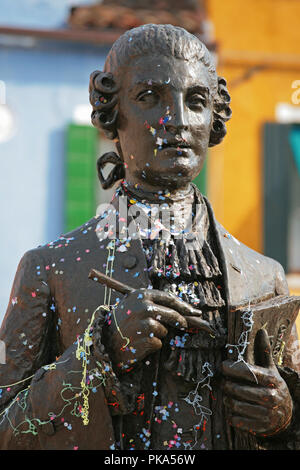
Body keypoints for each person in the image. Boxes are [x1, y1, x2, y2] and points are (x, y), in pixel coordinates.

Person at [0, 24, 299, 451]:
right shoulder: (51, 268)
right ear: (112, 113)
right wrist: (99, 352)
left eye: (195, 101)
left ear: (213, 118)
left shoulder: (263, 276)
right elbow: (7, 431)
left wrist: (283, 417)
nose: (175, 119)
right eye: (149, 97)